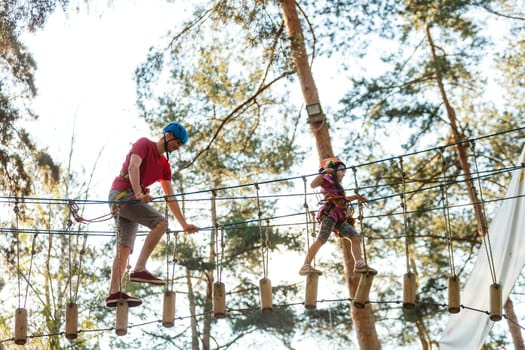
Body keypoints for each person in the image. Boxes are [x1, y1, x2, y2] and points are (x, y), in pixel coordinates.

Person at [105, 122, 199, 308]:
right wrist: (139, 194)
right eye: (177, 143)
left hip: (132, 201)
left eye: (180, 146)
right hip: (121, 195)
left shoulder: (164, 165)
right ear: (169, 135)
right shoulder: (144, 144)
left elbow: (170, 197)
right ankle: (139, 268)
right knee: (160, 224)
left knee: (124, 249)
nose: (177, 147)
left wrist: (183, 224)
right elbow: (133, 167)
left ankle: (113, 293)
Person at [299, 157, 376, 276]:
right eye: (341, 170)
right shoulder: (326, 179)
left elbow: (343, 200)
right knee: (321, 239)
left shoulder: (338, 187)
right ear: (332, 169)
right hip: (329, 215)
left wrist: (356, 197)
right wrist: (325, 171)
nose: (344, 173)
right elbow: (313, 185)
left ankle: (359, 263)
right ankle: (305, 265)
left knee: (355, 237)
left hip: (339, 219)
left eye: (344, 171)